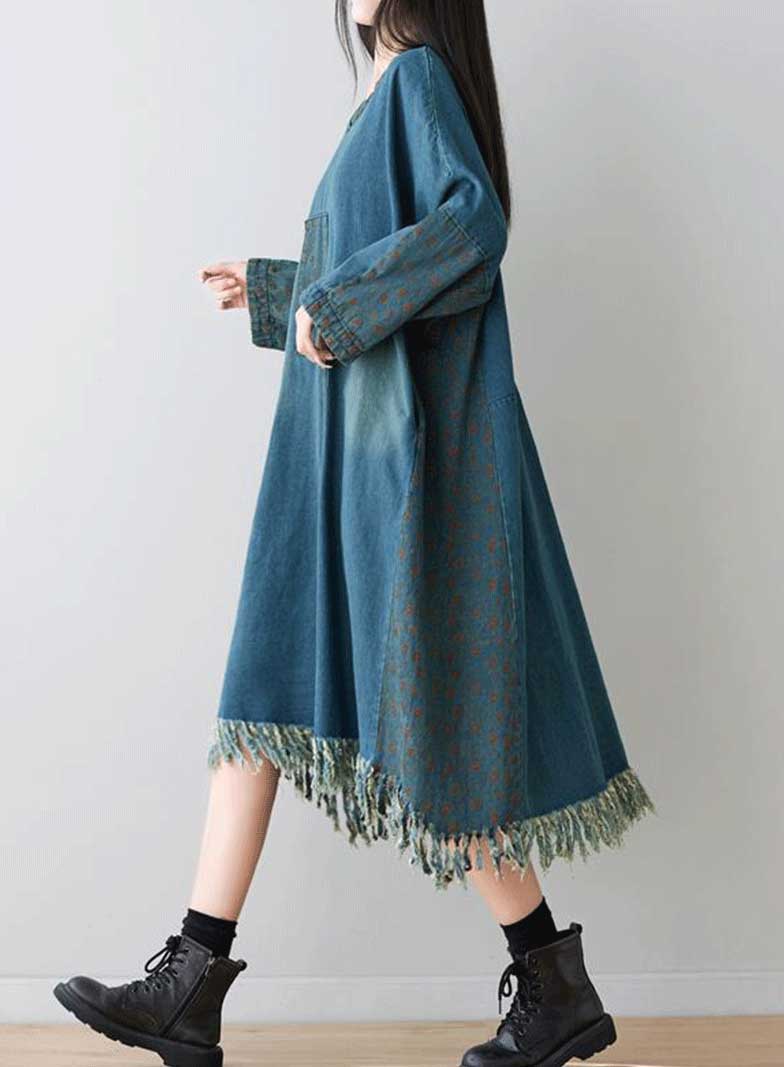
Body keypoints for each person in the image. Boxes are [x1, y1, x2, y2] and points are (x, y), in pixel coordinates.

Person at [53, 3, 655, 1066]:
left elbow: (473, 228)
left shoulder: (415, 79)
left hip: (397, 469)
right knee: (265, 687)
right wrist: (280, 293)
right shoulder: (376, 96)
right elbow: (372, 265)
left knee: (428, 716)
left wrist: (329, 312)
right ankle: (192, 978)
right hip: (334, 459)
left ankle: (549, 982)